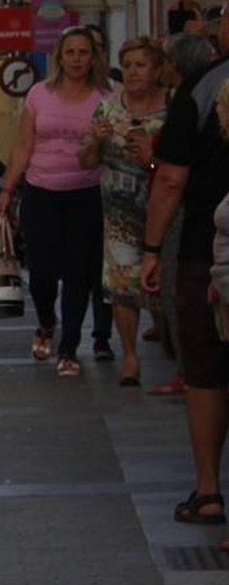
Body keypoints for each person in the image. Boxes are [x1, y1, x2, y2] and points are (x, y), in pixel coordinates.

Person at [140, 32, 229, 526]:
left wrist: (152, 250)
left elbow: (171, 178)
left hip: (207, 252)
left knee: (206, 370)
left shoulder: (203, 85)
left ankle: (209, 490)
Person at [0, 25, 106, 376]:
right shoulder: (39, 95)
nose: (76, 59)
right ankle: (46, 321)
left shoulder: (104, 99)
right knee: (41, 273)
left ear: (92, 58)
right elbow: (24, 144)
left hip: (85, 195)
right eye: (70, 52)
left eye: (83, 52)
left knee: (78, 274)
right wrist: (7, 190)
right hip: (40, 192)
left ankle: (69, 349)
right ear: (60, 57)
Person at [78, 35, 168, 386]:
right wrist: (96, 141)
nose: (132, 72)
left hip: (162, 208)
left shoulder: (172, 109)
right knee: (121, 287)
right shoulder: (108, 108)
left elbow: (180, 166)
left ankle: (169, 339)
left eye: (140, 65)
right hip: (117, 212)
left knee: (164, 281)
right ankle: (130, 357)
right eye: (127, 65)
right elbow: (86, 161)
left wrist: (150, 161)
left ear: (157, 69)